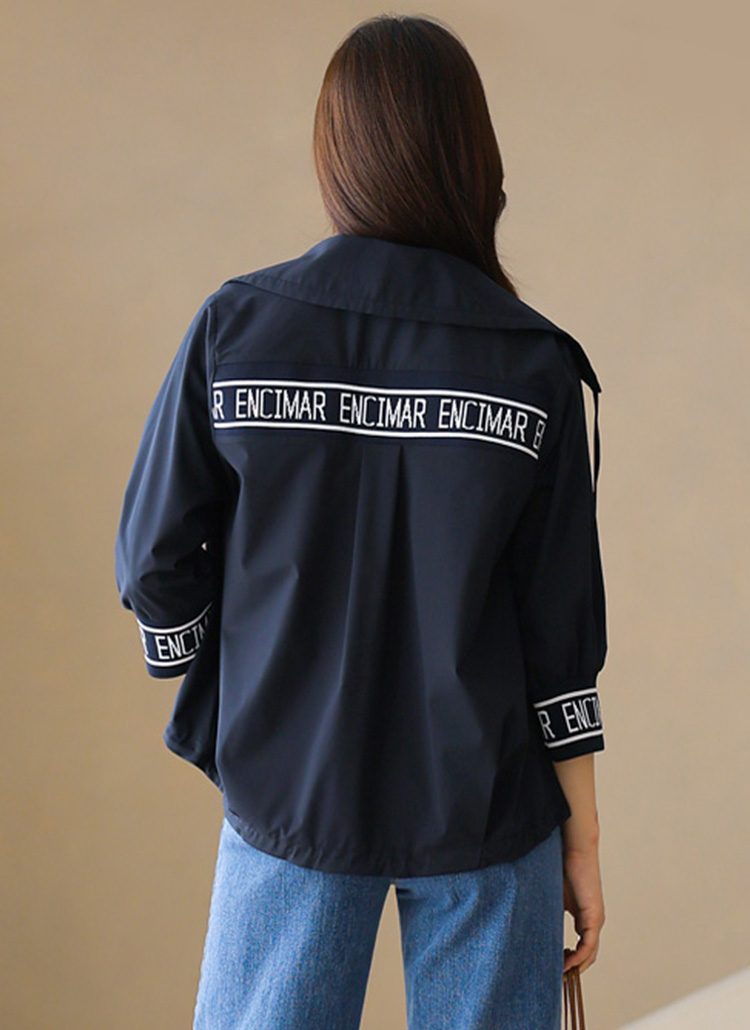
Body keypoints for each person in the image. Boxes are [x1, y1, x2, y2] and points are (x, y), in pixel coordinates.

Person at [115, 13, 608, 1030]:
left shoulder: (236, 327)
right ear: (474, 157)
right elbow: (559, 634)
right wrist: (585, 843)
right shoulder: (534, 364)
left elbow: (155, 559)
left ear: (336, 153)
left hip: (289, 789)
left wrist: (229, 707)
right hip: (487, 799)